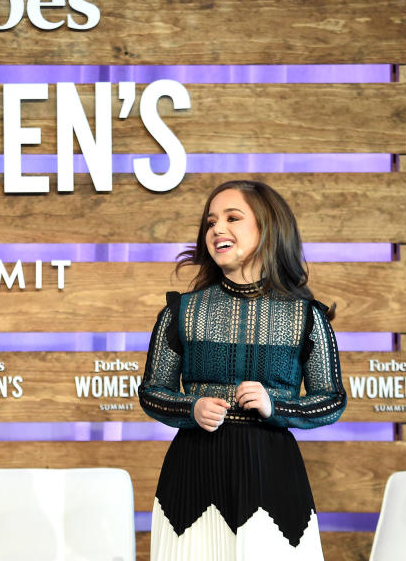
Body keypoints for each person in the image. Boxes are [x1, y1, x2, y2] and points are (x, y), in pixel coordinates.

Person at [138, 179, 346, 561]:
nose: (217, 228)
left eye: (233, 217)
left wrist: (275, 407)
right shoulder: (180, 312)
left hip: (271, 472)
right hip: (194, 470)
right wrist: (191, 407)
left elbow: (331, 399)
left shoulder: (306, 315)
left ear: (268, 228)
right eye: (210, 221)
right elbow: (152, 390)